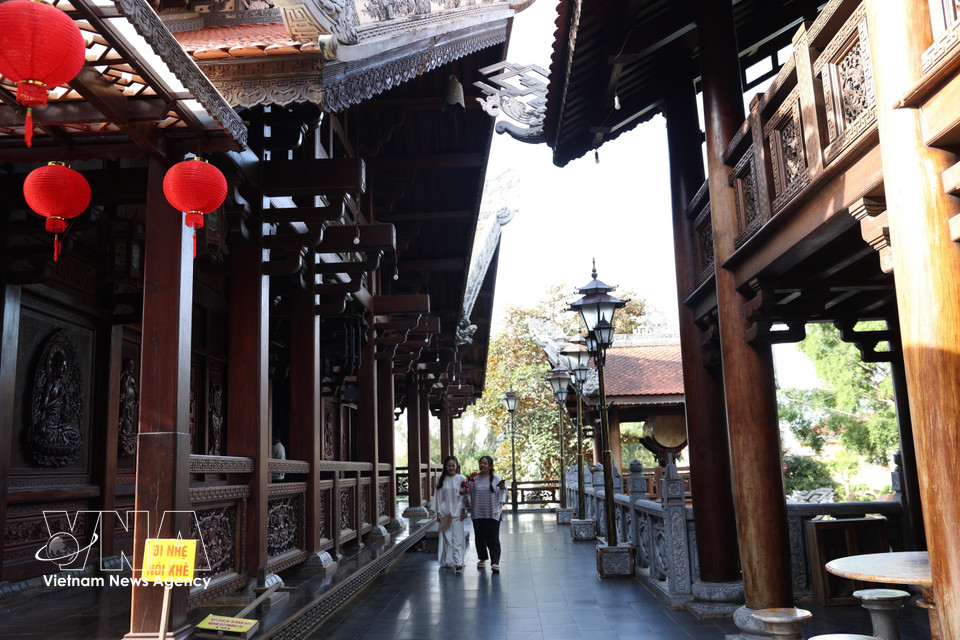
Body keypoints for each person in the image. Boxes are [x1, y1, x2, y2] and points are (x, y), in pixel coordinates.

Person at [465, 455, 507, 573]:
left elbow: (502, 495)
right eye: (481, 463)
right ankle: (482, 559)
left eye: (485, 463)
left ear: (490, 466)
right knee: (479, 537)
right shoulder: (474, 479)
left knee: (493, 538)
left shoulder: (496, 478)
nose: (482, 465)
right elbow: (468, 492)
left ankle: (495, 562)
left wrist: (503, 488)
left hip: (493, 512)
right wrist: (468, 500)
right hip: (478, 512)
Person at [435, 455, 467, 571]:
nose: (451, 468)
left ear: (456, 466)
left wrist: (463, 510)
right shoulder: (441, 479)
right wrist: (438, 513)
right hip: (445, 512)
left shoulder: (461, 478)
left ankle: (459, 561)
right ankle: (449, 561)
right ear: (445, 467)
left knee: (458, 538)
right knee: (447, 538)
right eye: (449, 466)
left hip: (458, 512)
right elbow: (438, 497)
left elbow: (463, 496)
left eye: (453, 466)